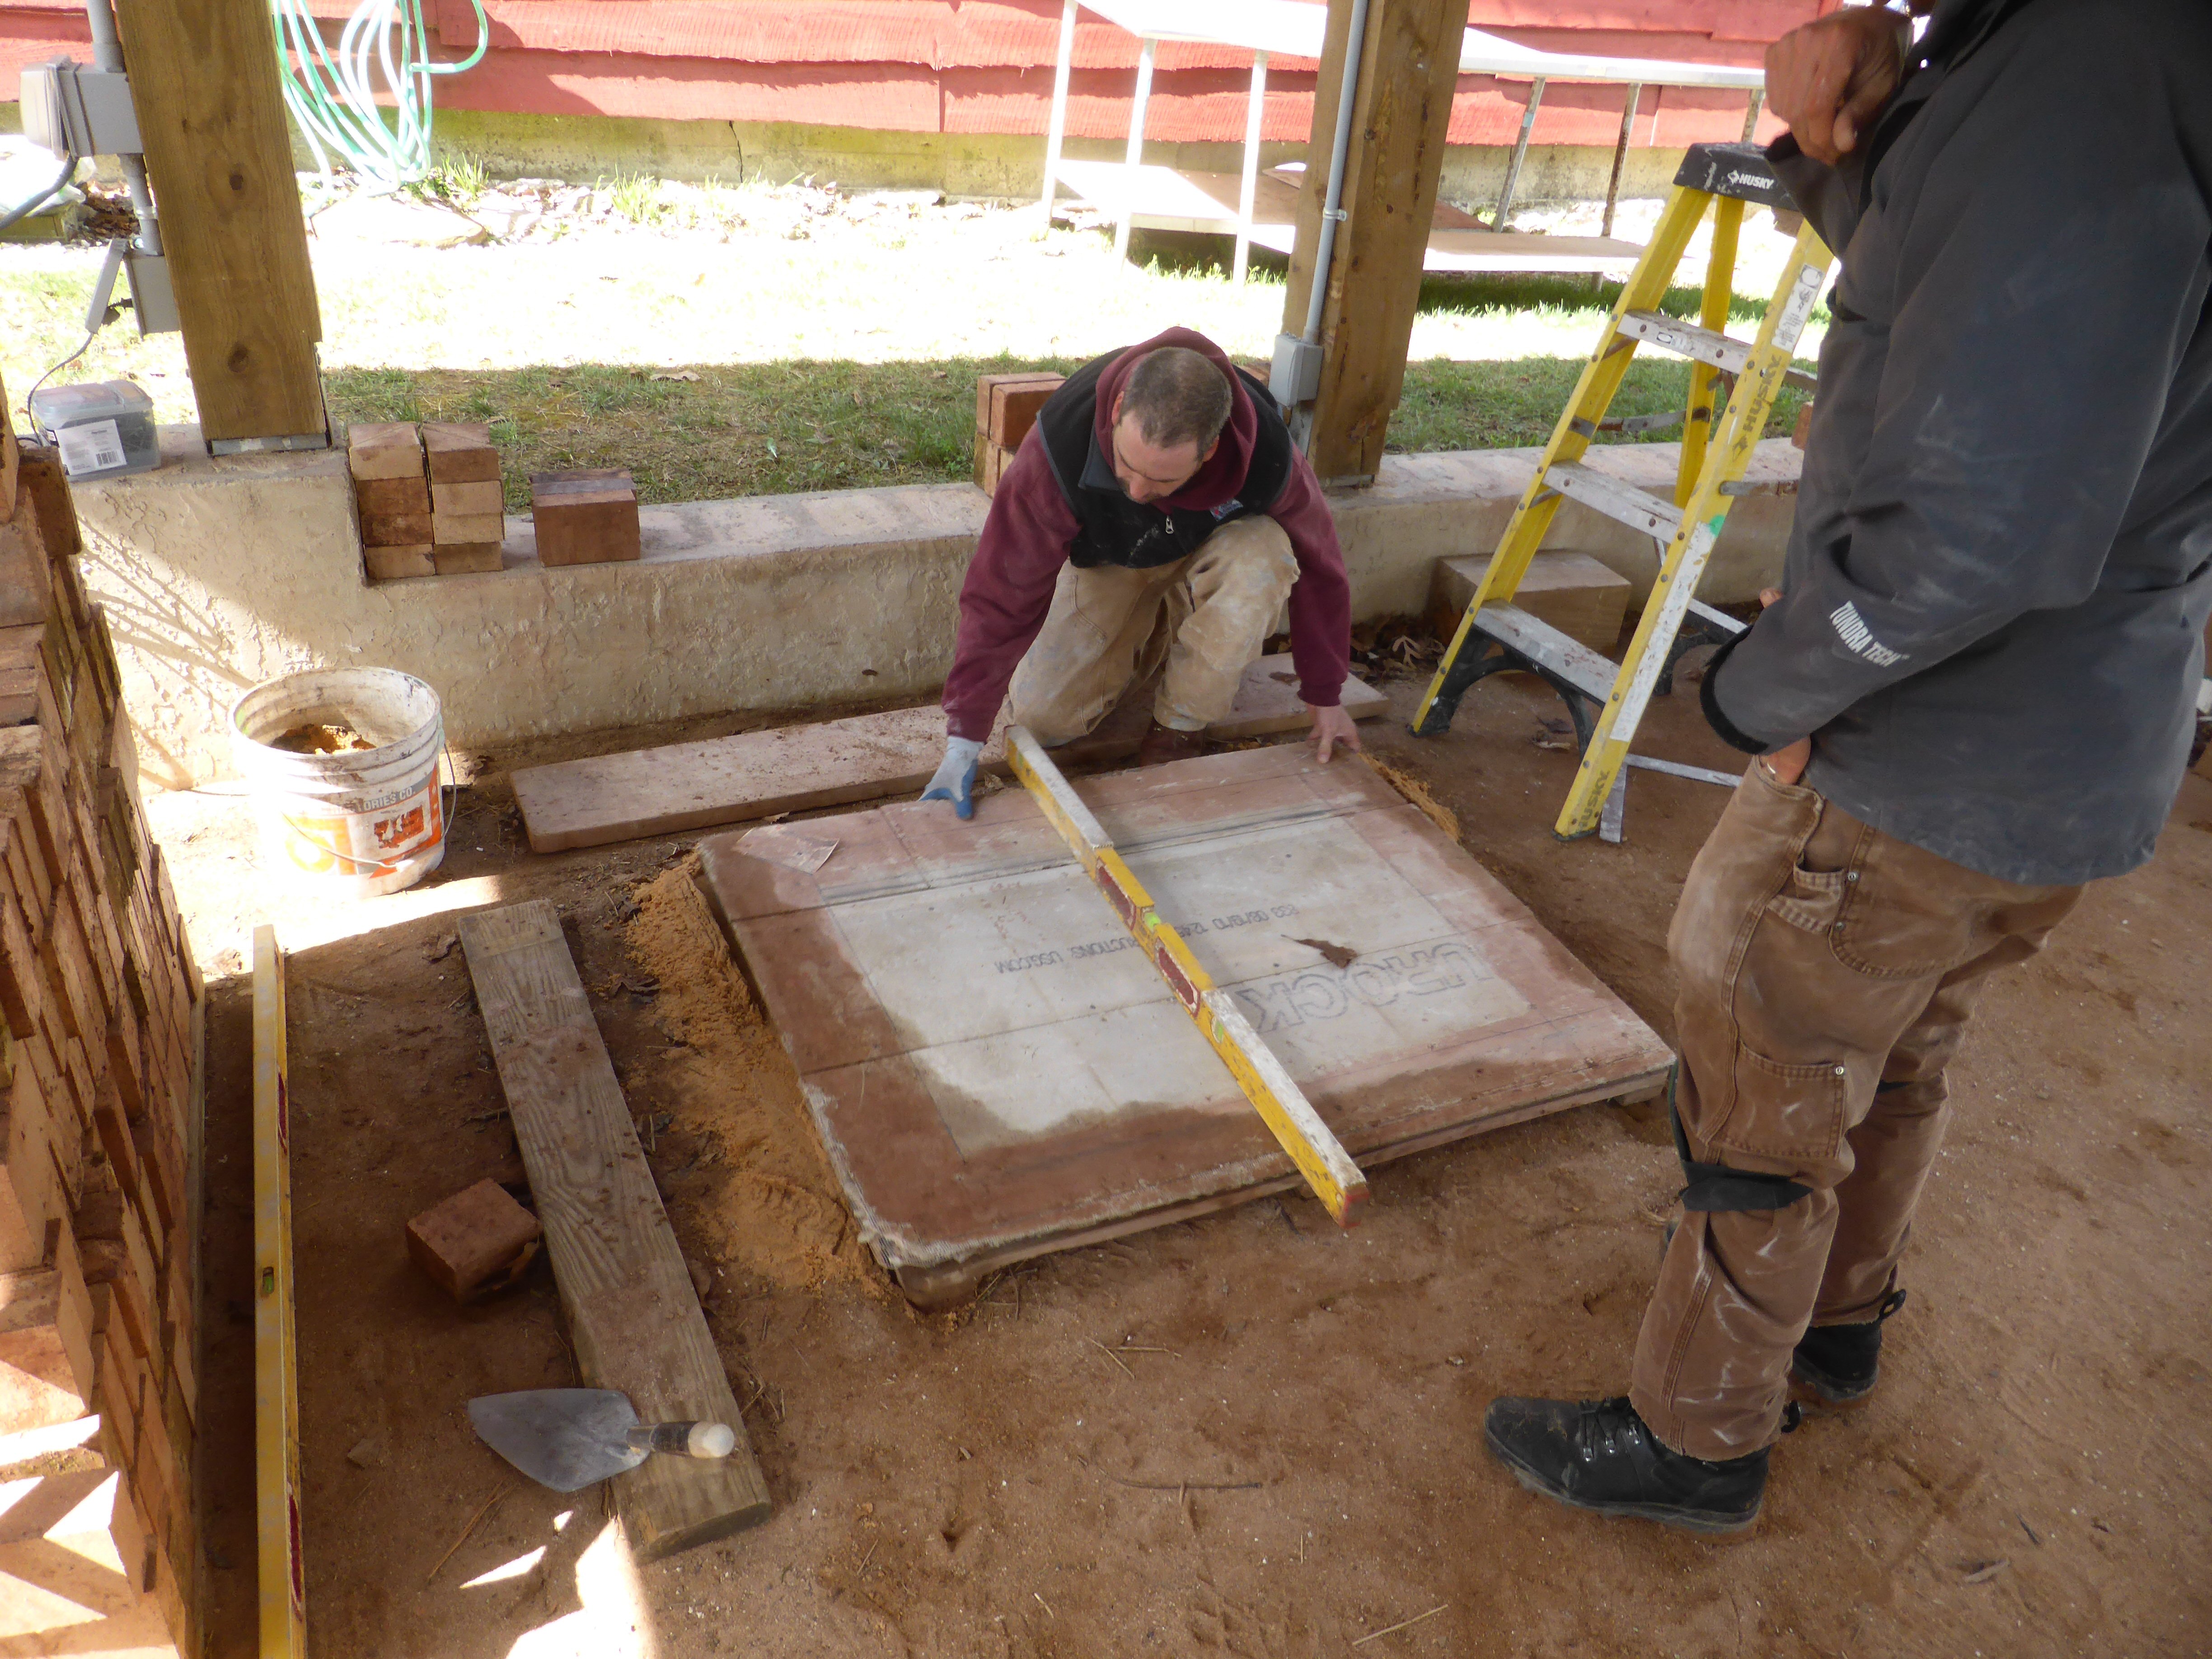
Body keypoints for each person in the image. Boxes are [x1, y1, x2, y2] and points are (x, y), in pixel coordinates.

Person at [1483, 0, 2212, 1533]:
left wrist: (1764, 685)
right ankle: (1838, 1325)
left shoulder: (2082, 80)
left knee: (1761, 1067)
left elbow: (1982, 534)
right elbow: (1966, 290)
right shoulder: (2112, 66)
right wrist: (1852, 142)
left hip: (1916, 753)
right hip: (2068, 757)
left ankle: (1695, 1438)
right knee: (1898, 1046)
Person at [921, 328, 1356, 818]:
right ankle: (1160, 622)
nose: (1136, 491)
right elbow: (1003, 589)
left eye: (1163, 479)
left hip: (1219, 550)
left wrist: (1325, 691)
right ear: (1117, 409)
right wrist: (964, 739)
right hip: (1115, 559)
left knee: (1265, 558)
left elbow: (1321, 563)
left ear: (1210, 450)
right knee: (1044, 721)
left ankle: (1180, 727)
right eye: (1126, 467)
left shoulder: (1269, 457)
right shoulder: (1060, 444)